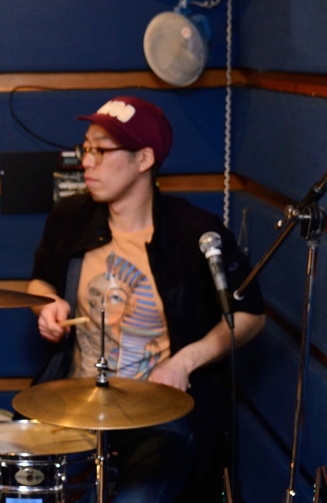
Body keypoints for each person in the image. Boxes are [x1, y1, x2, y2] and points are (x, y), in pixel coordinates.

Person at [28, 96, 266, 501]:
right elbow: (40, 283)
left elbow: (249, 316)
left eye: (101, 150)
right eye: (85, 148)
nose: (86, 161)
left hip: (159, 416)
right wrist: (47, 306)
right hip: (74, 404)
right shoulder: (69, 217)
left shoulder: (195, 232)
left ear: (144, 160)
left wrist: (185, 361)